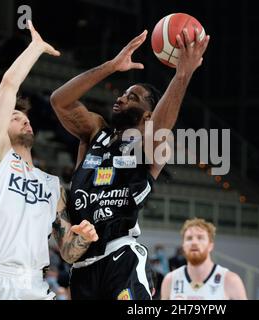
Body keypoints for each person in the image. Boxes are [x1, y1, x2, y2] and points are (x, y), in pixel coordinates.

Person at [50, 27, 210, 300]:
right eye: (123, 94)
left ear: (148, 115)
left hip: (120, 258)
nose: (121, 98)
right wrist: (111, 66)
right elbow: (59, 101)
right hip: (81, 268)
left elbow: (160, 128)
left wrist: (182, 74)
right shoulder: (94, 133)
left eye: (132, 97)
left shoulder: (149, 145)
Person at [0, 21, 97, 300]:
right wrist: (36, 48)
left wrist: (84, 236)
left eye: (27, 118)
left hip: (32, 283)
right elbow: (9, 84)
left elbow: (68, 251)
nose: (24, 121)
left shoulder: (52, 184)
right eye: (15, 117)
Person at [160, 218, 247, 300]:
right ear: (183, 246)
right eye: (189, 238)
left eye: (200, 237)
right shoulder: (170, 280)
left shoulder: (230, 280)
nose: (194, 242)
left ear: (210, 245)